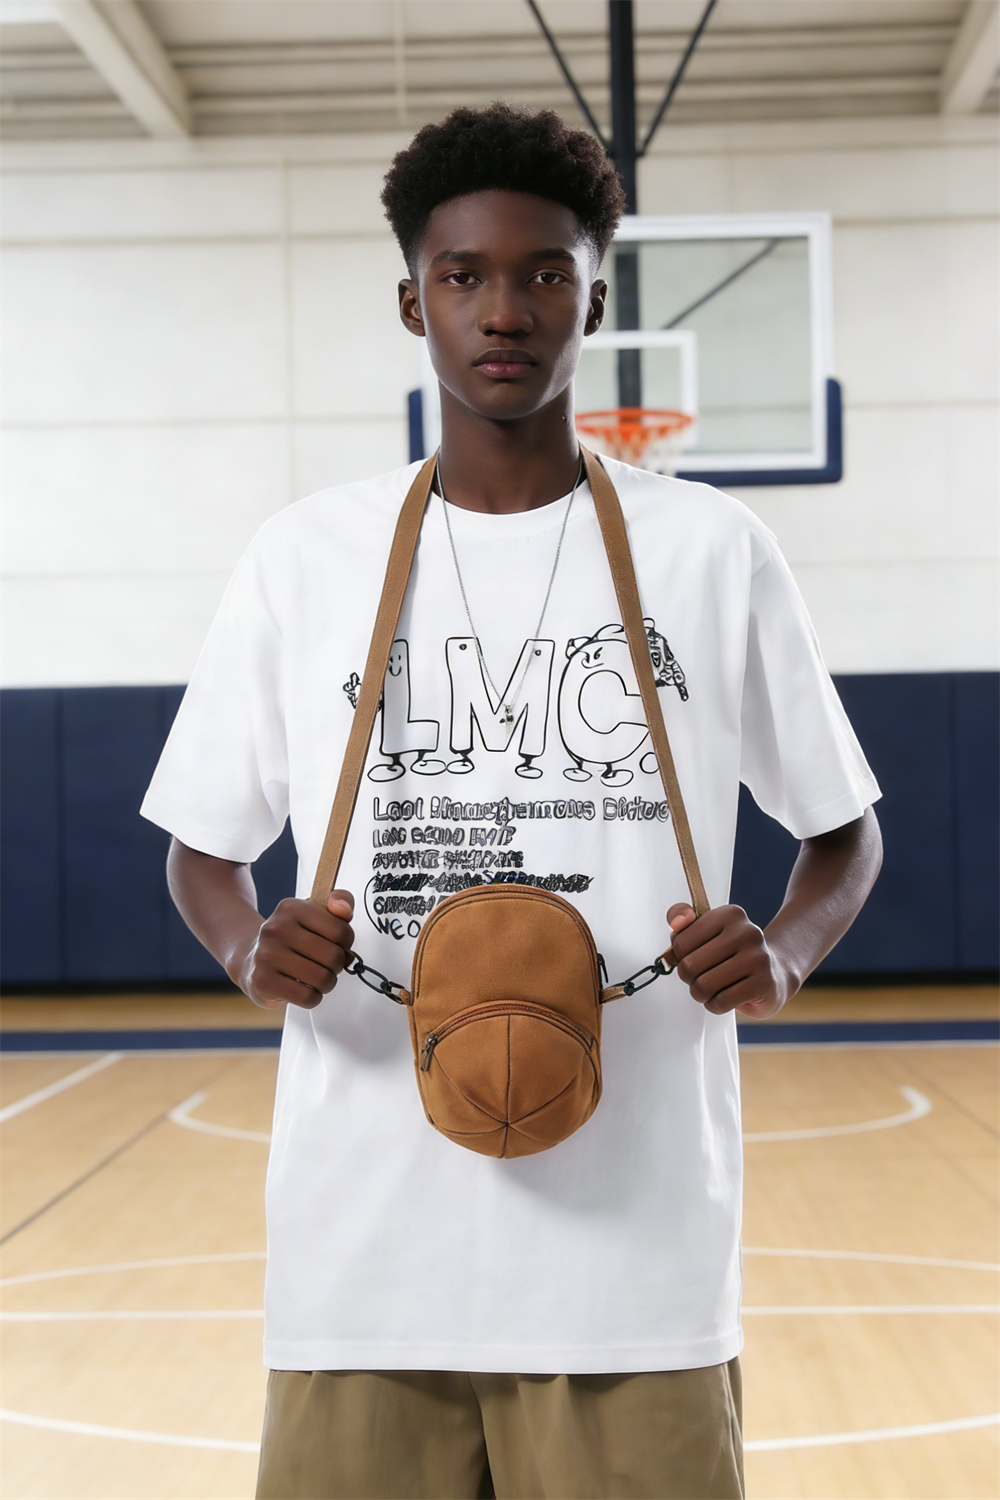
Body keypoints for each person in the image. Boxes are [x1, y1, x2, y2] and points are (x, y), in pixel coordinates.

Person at [141, 103, 882, 1500]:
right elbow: (202, 849)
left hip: (638, 1263)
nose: (505, 309)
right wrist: (247, 946)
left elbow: (845, 830)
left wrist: (785, 949)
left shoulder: (714, 552)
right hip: (362, 1261)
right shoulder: (303, 558)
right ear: (412, 297)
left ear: (594, 298)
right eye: (467, 274)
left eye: (544, 273)